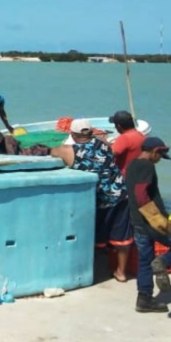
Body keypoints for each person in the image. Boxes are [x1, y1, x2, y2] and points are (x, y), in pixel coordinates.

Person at [51, 119, 132, 282]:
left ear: (73, 134)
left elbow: (53, 151)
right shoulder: (104, 144)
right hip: (120, 193)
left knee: (95, 235)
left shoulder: (68, 151)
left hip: (98, 198)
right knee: (122, 235)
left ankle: (92, 272)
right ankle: (121, 273)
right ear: (90, 132)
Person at [126, 137, 171, 313]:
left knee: (145, 261)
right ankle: (162, 261)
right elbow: (140, 194)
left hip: (138, 222)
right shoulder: (147, 166)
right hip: (152, 221)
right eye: (160, 155)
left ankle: (144, 300)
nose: (160, 159)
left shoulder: (132, 165)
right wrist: (157, 218)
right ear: (155, 151)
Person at [109, 110, 145, 175]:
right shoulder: (141, 135)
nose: (115, 127)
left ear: (119, 126)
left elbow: (111, 154)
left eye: (115, 125)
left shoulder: (124, 138)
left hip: (124, 177)